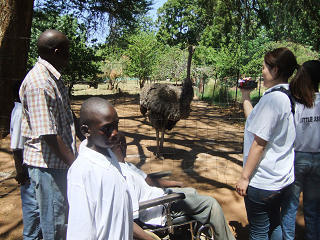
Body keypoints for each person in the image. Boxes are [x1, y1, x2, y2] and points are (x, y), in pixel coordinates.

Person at [112, 134, 235, 240]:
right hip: (161, 207)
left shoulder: (125, 165)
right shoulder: (122, 176)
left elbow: (149, 180)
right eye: (122, 144)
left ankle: (205, 231)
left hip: (161, 195)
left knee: (191, 191)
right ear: (119, 147)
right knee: (211, 204)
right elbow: (129, 218)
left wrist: (175, 183)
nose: (125, 147)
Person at [19, 29, 77, 239]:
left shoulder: (53, 78)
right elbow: (48, 134)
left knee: (40, 225)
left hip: (52, 164)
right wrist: (76, 165)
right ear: (56, 51)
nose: (70, 55)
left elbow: (65, 114)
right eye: (67, 50)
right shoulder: (40, 83)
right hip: (49, 167)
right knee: (55, 225)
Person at [235, 47, 297, 240]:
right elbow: (255, 121)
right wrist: (245, 95)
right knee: (274, 223)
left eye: (264, 67)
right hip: (283, 179)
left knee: (259, 230)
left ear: (275, 70)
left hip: (263, 181)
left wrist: (245, 177)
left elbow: (259, 143)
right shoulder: (290, 95)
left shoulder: (273, 100)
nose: (262, 72)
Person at [67, 97, 133, 240]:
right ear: (86, 131)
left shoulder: (110, 156)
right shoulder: (82, 171)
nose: (115, 133)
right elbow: (80, 231)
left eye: (116, 125)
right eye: (106, 128)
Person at [281, 60, 320, 240]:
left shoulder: (295, 101)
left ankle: (288, 238)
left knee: (290, 206)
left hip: (297, 158)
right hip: (318, 159)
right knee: (313, 207)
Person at [10, 80, 42, 239]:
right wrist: (21, 172)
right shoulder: (20, 112)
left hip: (30, 168)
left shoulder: (20, 110)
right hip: (28, 170)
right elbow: (17, 146)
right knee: (32, 210)